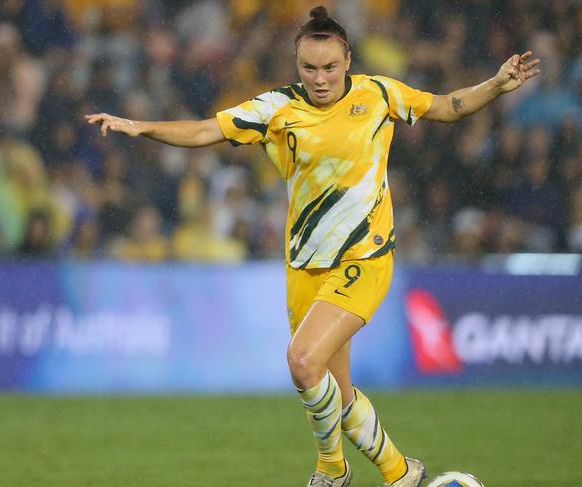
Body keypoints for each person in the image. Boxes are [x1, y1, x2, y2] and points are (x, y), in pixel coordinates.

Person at [86, 6, 540, 486]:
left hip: (364, 257)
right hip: (305, 265)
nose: (320, 78)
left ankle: (331, 471)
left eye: (329, 67)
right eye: (309, 68)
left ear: (348, 60)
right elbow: (205, 130)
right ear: (296, 65)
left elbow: (446, 107)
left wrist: (494, 85)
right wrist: (139, 126)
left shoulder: (379, 93)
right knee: (337, 394)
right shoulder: (278, 108)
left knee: (302, 361)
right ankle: (401, 474)